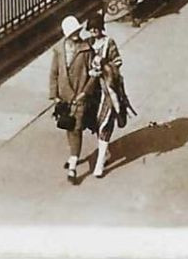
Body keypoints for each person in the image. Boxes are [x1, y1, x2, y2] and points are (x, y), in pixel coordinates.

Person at [83, 11, 134, 179]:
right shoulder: (88, 43)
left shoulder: (108, 43)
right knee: (96, 122)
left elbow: (117, 62)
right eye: (91, 30)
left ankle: (99, 164)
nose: (93, 32)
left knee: (105, 122)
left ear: (101, 29)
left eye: (96, 29)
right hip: (93, 89)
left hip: (107, 88)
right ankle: (106, 153)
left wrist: (104, 68)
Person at [48, 15, 95, 182]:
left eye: (78, 31)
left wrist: (85, 92)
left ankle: (73, 167)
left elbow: (93, 75)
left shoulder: (86, 50)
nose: (77, 34)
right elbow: (54, 74)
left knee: (76, 128)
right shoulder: (59, 51)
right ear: (67, 33)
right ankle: (73, 155)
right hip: (64, 97)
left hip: (80, 96)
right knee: (69, 126)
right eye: (73, 32)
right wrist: (54, 96)